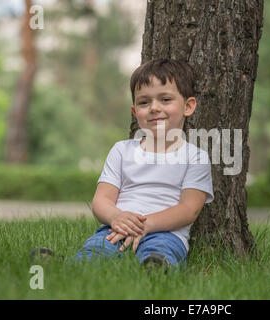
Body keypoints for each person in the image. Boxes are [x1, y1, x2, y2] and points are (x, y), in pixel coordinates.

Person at [71, 58, 214, 268]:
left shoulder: (196, 157)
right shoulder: (122, 150)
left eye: (165, 99)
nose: (154, 108)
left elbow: (189, 209)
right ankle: (70, 265)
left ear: (188, 106)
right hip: (116, 228)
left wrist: (146, 225)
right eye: (144, 102)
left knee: (161, 252)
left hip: (167, 233)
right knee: (97, 249)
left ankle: (155, 269)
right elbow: (101, 200)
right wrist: (117, 217)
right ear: (134, 111)